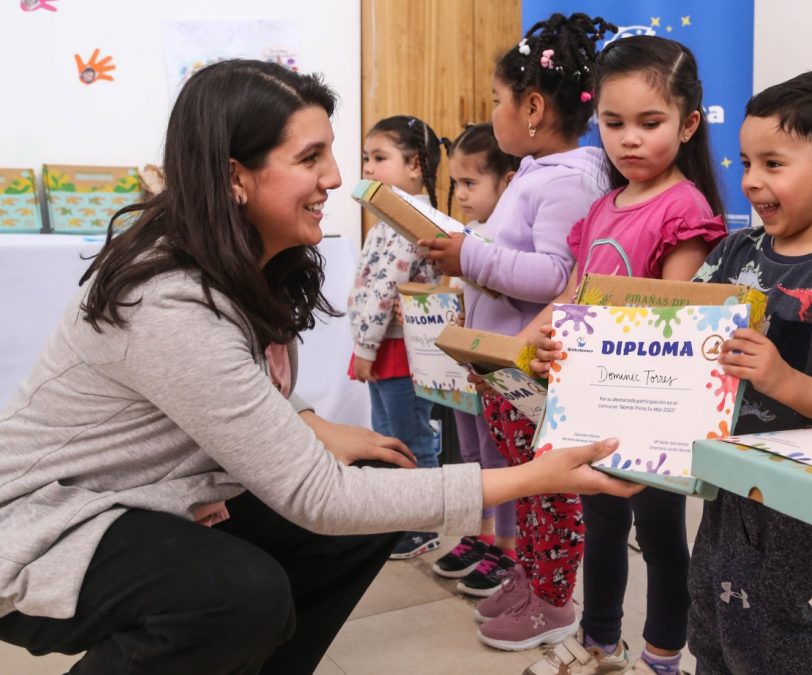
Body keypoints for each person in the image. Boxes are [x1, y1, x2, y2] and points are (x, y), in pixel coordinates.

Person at [0, 59, 642, 675]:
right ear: (234, 176)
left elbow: (230, 388)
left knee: (371, 480)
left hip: (146, 494)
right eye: (311, 158)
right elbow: (319, 497)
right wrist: (532, 477)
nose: (336, 178)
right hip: (47, 520)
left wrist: (308, 419)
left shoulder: (252, 263)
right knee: (236, 595)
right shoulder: (168, 300)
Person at [523, 36, 727, 675]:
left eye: (650, 122)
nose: (629, 139)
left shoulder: (684, 207)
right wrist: (525, 342)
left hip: (652, 405)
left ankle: (661, 656)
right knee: (602, 527)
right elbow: (573, 293)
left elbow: (679, 310)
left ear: (688, 123)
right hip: (593, 398)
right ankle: (598, 642)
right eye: (613, 124)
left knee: (662, 537)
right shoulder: (602, 206)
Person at [687, 72, 812, 674]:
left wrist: (777, 376)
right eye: (747, 161)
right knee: (710, 606)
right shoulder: (734, 252)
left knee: (766, 622)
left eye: (773, 163)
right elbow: (676, 323)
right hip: (727, 471)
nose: (751, 180)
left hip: (793, 490)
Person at [420, 12, 616, 614]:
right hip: (507, 365)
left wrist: (469, 253)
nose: (494, 111)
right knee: (527, 491)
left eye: (499, 99)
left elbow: (557, 276)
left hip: (533, 369)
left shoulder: (569, 180)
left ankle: (551, 601)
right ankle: (527, 579)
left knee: (546, 495)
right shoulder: (539, 173)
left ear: (533, 108)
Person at [348, 114, 446, 559]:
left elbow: (385, 292)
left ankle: (422, 524)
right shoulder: (386, 219)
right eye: (366, 158)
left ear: (415, 165)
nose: (368, 168)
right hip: (382, 346)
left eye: (379, 158)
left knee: (411, 438)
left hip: (400, 351)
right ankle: (398, 519)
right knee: (387, 436)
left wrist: (364, 346)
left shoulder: (412, 222)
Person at [432, 122, 521, 580]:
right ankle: (480, 532)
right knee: (469, 451)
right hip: (467, 362)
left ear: (506, 181)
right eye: (455, 184)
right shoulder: (466, 231)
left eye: (470, 183)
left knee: (496, 456)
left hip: (498, 365)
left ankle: (506, 545)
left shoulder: (507, 240)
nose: (461, 194)